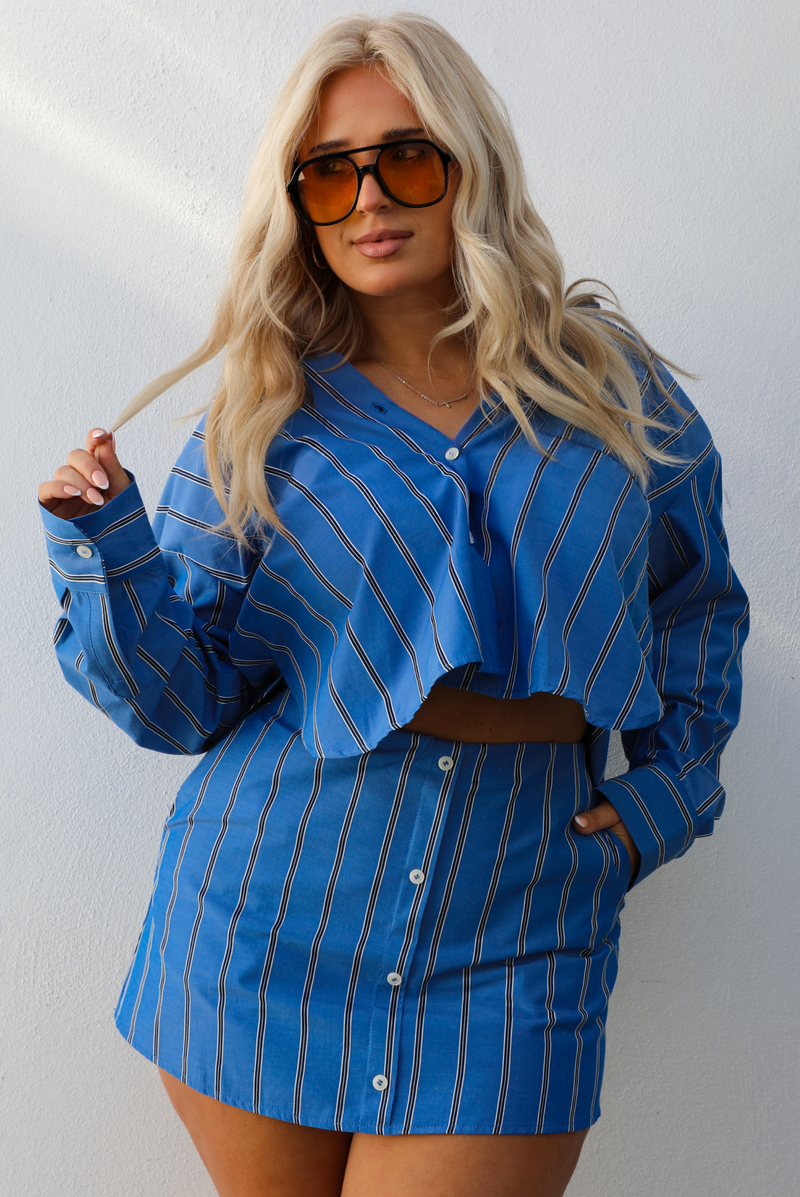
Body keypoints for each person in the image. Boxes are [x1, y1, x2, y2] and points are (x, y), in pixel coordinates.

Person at [37, 12, 749, 1197]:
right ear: (299, 204)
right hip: (262, 920)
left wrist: (662, 800)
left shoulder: (615, 395)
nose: (369, 198)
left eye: (405, 156)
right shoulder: (262, 417)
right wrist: (103, 546)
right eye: (328, 174)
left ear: (469, 164)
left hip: (517, 932)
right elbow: (184, 703)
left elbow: (699, 612)